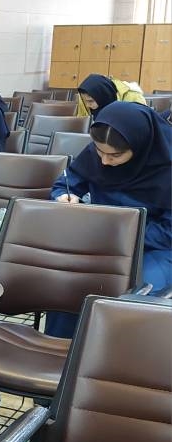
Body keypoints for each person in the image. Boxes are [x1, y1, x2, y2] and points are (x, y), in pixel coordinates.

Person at [45, 101, 172, 337]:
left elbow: (168, 232)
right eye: (99, 152)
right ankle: (60, 348)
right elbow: (67, 182)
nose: (104, 162)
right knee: (66, 280)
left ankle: (116, 355)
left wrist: (121, 236)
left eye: (115, 155)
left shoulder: (167, 167)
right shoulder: (98, 153)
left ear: (140, 145)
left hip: (152, 246)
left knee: (140, 293)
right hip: (101, 238)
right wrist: (63, 196)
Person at [75, 73, 146, 119]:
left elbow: (141, 124)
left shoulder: (133, 97)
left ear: (102, 96)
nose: (87, 105)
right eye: (85, 101)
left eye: (90, 101)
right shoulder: (84, 99)